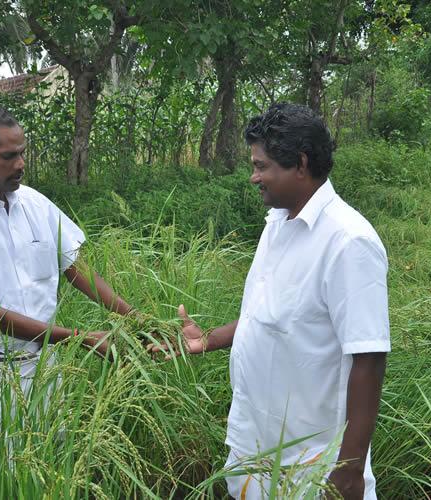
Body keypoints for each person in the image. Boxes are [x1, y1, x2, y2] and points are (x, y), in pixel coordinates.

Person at [158, 103, 390, 499]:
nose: (254, 177)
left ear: (300, 164)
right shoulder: (277, 224)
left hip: (312, 463)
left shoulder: (348, 241)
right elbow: (268, 317)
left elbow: (368, 357)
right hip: (255, 443)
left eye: (262, 166)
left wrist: (348, 470)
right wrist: (207, 339)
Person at [0, 107, 134, 466]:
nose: (21, 164)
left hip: (46, 365)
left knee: (53, 464)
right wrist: (81, 337)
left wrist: (134, 318)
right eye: (9, 156)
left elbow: (76, 269)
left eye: (22, 153)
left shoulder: (36, 204)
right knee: (0, 472)